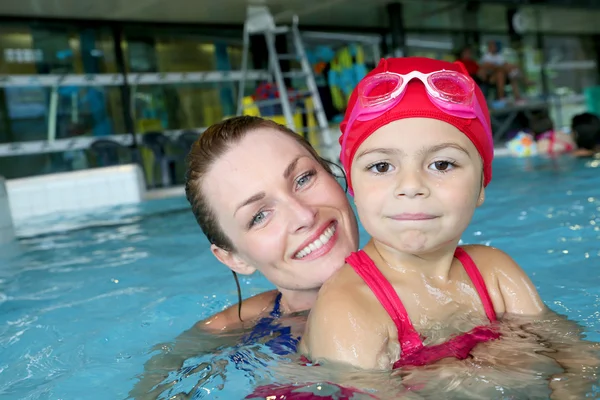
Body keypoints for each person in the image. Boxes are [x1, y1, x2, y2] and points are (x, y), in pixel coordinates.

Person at [300, 57, 599, 398]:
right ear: (353, 186)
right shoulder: (350, 306)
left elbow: (576, 354)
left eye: (442, 163)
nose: (411, 185)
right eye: (381, 166)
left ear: (482, 186)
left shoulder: (494, 272)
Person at [130, 116, 360, 398]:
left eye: (303, 178)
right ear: (234, 258)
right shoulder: (229, 330)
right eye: (260, 216)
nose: (303, 215)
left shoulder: (427, 282)